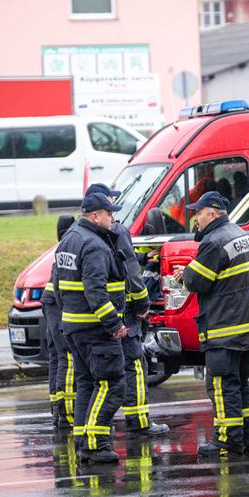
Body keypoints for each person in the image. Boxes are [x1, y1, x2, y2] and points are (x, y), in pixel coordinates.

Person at [177, 191, 249, 457]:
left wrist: (185, 274)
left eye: (198, 213)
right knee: (240, 384)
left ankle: (227, 440)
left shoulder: (214, 241)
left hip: (224, 328)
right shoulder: (238, 234)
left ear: (212, 213)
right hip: (245, 327)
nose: (195, 219)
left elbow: (197, 281)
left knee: (222, 386)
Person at [84, 183, 169, 438]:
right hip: (127, 312)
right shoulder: (118, 231)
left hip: (101, 315)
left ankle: (95, 425)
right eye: (111, 204)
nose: (114, 212)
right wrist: (143, 305)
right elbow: (131, 274)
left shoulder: (83, 234)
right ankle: (139, 421)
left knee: (98, 373)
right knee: (134, 364)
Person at [56, 192, 129, 464]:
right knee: (111, 384)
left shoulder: (69, 239)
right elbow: (96, 290)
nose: (113, 219)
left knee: (86, 383)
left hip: (74, 326)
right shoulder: (94, 244)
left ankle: (81, 438)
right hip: (96, 329)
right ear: (96, 215)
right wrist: (114, 324)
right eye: (110, 214)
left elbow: (58, 282)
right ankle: (96, 444)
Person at [42, 214, 76, 431]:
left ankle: (57, 407)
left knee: (57, 355)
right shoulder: (72, 245)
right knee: (66, 355)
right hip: (56, 301)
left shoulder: (63, 246)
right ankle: (65, 413)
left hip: (49, 301)